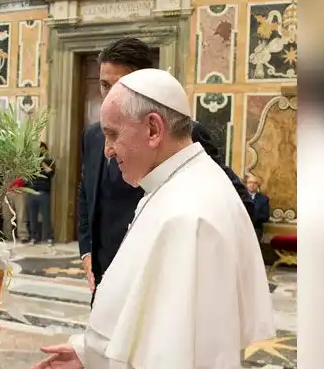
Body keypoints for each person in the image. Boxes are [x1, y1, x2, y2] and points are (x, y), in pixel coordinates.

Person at [29, 69, 275, 369]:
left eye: (113, 135)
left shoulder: (191, 215)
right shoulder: (175, 183)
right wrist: (90, 351)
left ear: (154, 129)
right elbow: (147, 302)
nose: (108, 151)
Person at [78, 37, 253, 300]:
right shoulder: (92, 136)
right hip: (105, 283)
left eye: (120, 86)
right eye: (104, 85)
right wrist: (87, 251)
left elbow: (238, 203)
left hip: (157, 285)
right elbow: (86, 193)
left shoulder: (182, 134)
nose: (110, 95)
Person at [26, 142, 55, 245]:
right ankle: (34, 237)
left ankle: (49, 237)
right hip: (32, 192)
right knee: (32, 217)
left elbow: (51, 173)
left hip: (44, 193)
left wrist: (41, 161)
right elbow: (26, 177)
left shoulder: (50, 161)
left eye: (42, 150)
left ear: (45, 150)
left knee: (46, 216)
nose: (40, 152)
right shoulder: (31, 163)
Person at [245, 173, 271, 241]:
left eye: (255, 183)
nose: (252, 185)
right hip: (240, 228)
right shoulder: (239, 197)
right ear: (246, 184)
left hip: (255, 229)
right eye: (250, 182)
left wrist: (252, 217)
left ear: (258, 185)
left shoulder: (264, 199)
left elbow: (265, 217)